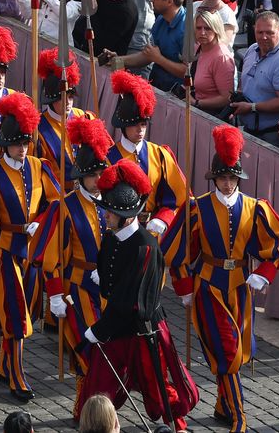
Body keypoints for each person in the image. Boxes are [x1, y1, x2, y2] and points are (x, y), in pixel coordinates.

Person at [162, 125, 279, 433]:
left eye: (232, 178)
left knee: (237, 349)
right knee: (226, 351)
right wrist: (183, 286)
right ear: (214, 178)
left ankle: (223, 405)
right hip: (207, 286)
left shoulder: (255, 207)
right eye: (222, 178)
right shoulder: (197, 208)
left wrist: (267, 271)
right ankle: (239, 416)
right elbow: (176, 250)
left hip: (241, 287)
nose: (227, 184)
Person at [75, 159, 198, 431]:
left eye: (109, 212)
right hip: (117, 325)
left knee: (157, 387)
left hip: (142, 330)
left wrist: (99, 329)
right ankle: (93, 424)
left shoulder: (146, 247)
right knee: (99, 380)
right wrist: (102, 277)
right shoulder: (110, 237)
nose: (105, 216)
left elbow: (131, 301)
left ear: (127, 215)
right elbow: (110, 278)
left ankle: (178, 427)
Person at [0, 92, 62, 402]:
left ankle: (5, 363)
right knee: (16, 313)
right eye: (18, 143)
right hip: (5, 251)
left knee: (26, 311)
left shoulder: (39, 166)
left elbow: (58, 204)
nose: (23, 148)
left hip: (31, 251)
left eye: (26, 142)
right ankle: (17, 373)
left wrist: (42, 222)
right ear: (5, 143)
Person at [105, 70, 188, 235]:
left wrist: (163, 218)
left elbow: (179, 199)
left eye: (143, 124)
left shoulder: (159, 154)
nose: (140, 130)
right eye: (135, 124)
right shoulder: (107, 158)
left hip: (152, 233)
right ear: (123, 125)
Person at [229, 12, 279, 146]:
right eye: (259, 32)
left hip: (271, 136)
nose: (264, 37)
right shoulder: (252, 49)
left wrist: (252, 107)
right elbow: (244, 82)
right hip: (248, 130)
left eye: (269, 32)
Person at [33, 48, 96, 186]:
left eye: (71, 96)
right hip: (58, 197)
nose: (68, 102)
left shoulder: (85, 118)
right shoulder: (38, 130)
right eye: (62, 97)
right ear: (51, 98)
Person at [118, 0, 189, 91]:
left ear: (169, 2)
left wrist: (159, 59)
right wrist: (117, 61)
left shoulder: (187, 30)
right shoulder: (161, 19)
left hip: (176, 95)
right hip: (157, 86)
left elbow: (188, 72)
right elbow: (147, 55)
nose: (151, 0)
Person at [192, 9, 237, 113]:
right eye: (198, 28)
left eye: (208, 28)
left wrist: (197, 103)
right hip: (196, 112)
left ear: (216, 29)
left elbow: (227, 98)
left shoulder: (222, 57)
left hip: (212, 117)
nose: (202, 32)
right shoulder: (197, 47)